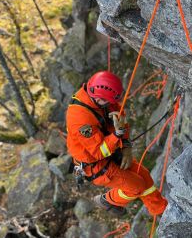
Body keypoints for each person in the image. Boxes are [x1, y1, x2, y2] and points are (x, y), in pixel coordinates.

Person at [66, 71, 168, 216]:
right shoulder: (80, 119)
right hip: (95, 164)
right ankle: (106, 200)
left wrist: (126, 146)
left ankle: (161, 210)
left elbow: (120, 119)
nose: (113, 105)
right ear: (100, 98)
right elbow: (98, 151)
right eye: (110, 102)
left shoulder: (103, 99)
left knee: (143, 175)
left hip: (111, 151)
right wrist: (117, 135)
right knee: (136, 186)